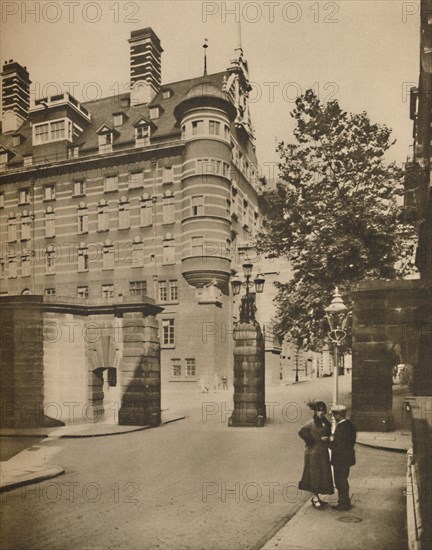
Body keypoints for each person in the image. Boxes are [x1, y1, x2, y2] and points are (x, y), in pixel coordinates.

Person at [298, 401, 334, 509]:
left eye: (323, 411)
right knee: (314, 474)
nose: (321, 413)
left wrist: (327, 438)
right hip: (313, 452)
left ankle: (318, 496)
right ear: (315, 412)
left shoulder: (325, 422)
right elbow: (301, 431)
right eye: (319, 411)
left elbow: (329, 433)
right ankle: (315, 497)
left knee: (322, 474)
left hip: (322, 452)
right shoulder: (311, 423)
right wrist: (311, 440)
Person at [329, 404, 357, 511]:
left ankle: (344, 504)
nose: (334, 417)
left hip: (340, 460)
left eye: (334, 415)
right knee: (343, 480)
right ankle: (344, 501)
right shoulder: (349, 425)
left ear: (338, 415)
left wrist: (328, 442)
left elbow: (339, 447)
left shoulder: (341, 428)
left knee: (340, 481)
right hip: (347, 458)